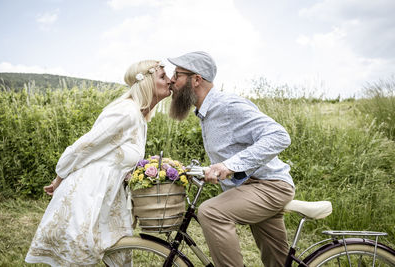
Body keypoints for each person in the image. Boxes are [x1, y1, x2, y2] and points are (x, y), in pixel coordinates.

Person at [25, 60, 171, 266]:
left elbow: (116, 156)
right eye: (163, 77)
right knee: (81, 257)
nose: (170, 81)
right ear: (146, 83)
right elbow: (84, 146)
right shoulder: (126, 112)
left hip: (109, 196)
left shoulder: (139, 116)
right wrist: (60, 177)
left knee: (118, 254)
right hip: (89, 193)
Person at [168, 51, 295, 267]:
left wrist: (230, 165)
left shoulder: (227, 106)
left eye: (177, 74)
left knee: (211, 212)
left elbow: (279, 136)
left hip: (270, 187)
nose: (172, 80)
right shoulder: (206, 113)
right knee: (278, 262)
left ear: (196, 79)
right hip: (250, 189)